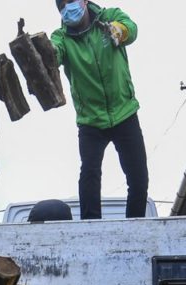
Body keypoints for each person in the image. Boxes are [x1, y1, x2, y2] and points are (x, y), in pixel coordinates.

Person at [51, 1, 149, 220]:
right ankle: (90, 225)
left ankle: (135, 224)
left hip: (124, 112)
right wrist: (44, 55)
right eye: (62, 5)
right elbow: (53, 54)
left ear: (85, 1)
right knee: (89, 173)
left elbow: (130, 28)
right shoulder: (61, 38)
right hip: (90, 120)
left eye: (72, 1)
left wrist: (119, 30)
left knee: (139, 178)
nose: (68, 7)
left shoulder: (109, 17)